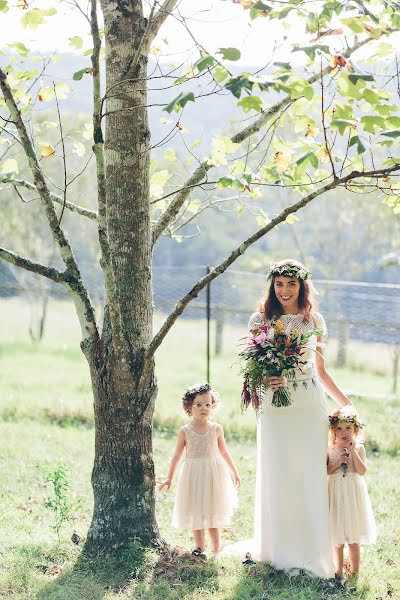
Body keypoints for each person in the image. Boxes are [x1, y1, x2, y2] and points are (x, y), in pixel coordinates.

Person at [243, 259, 352, 578]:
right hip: (275, 410)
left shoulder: (313, 320)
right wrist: (265, 380)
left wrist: (346, 404)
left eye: (291, 284)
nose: (285, 290)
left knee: (308, 474)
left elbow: (321, 371)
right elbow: (252, 372)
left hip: (308, 405)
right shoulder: (259, 319)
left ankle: (310, 550)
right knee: (278, 473)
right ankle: (278, 549)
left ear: (302, 286)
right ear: (272, 286)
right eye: (279, 284)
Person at [159, 382, 241, 558]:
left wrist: (234, 472)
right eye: (198, 404)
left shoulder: (216, 428)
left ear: (213, 407)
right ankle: (200, 548)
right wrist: (169, 478)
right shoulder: (185, 431)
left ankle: (217, 550)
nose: (204, 408)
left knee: (213, 513)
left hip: (213, 475)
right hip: (193, 475)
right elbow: (177, 456)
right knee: (196, 512)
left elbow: (224, 452)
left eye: (208, 405)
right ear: (189, 407)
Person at [327, 407, 376, 579]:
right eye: (339, 428)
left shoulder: (359, 448)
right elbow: (325, 471)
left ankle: (355, 572)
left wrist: (353, 451)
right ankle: (338, 571)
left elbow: (362, 471)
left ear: (355, 429)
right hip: (336, 496)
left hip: (353, 496)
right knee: (337, 539)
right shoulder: (330, 449)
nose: (343, 432)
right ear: (333, 430)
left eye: (348, 428)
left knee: (354, 539)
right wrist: (338, 461)